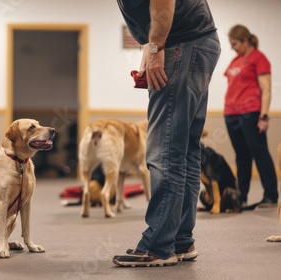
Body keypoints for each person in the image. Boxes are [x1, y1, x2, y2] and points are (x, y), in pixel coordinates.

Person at [112, 0, 221, 267]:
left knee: (166, 150)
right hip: (194, 43)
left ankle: (158, 245)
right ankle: (180, 240)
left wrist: (156, 47)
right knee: (185, 151)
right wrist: (149, 52)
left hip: (180, 46)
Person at [224, 25, 278, 207]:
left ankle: (271, 195)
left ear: (245, 41)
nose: (233, 47)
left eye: (235, 43)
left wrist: (264, 116)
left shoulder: (259, 58)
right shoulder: (235, 60)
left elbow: (266, 89)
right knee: (241, 156)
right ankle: (242, 196)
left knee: (260, 153)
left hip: (251, 113)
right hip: (231, 113)